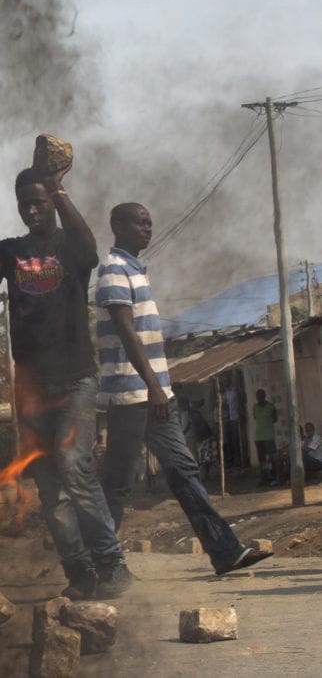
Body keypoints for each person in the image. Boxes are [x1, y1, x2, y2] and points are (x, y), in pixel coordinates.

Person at [0, 161, 131, 600]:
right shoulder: (11, 252)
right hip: (31, 390)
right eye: (25, 204)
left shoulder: (70, 247)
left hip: (75, 381)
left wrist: (60, 188)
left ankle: (111, 562)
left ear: (52, 201)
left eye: (40, 202)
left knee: (74, 465)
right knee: (50, 487)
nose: (32, 210)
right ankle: (79, 572)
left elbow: (90, 252)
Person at [95, 202, 271, 576]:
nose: (147, 228)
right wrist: (154, 387)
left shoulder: (135, 271)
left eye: (149, 222)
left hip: (155, 394)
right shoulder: (112, 270)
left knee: (183, 471)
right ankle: (102, 564)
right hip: (131, 396)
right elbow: (127, 334)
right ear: (117, 226)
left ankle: (225, 551)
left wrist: (160, 389)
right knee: (119, 482)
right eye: (139, 223)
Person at [252, 390, 278, 485]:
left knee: (271, 458)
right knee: (262, 460)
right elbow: (255, 417)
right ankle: (264, 478)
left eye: (261, 396)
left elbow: (275, 419)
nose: (259, 398)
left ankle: (273, 476)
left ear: (265, 396)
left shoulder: (271, 407)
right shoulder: (255, 407)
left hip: (269, 437)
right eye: (258, 397)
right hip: (258, 437)